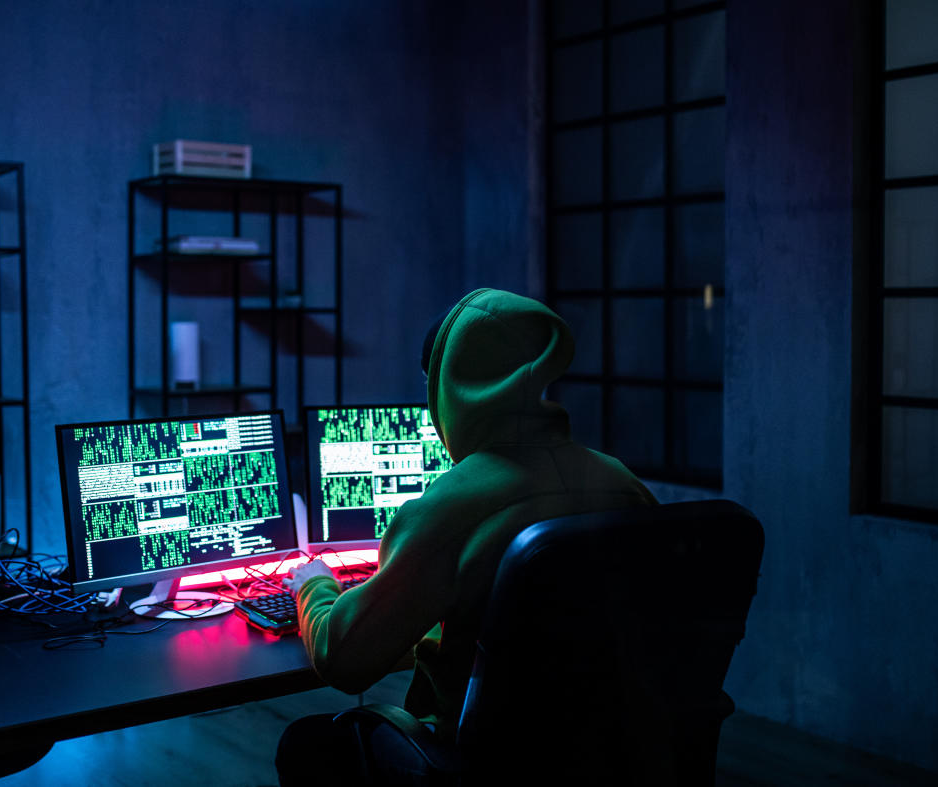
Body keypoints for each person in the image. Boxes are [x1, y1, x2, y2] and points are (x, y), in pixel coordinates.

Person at [274, 288, 657, 785]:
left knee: (307, 745)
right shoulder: (623, 484)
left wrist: (314, 584)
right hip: (617, 754)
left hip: (490, 760)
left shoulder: (450, 508)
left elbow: (345, 660)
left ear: (451, 389)